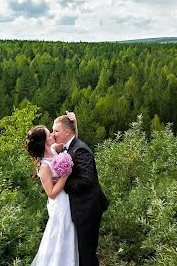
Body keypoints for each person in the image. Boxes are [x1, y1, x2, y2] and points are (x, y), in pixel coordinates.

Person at [52, 112, 109, 266]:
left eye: (56, 131)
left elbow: (87, 180)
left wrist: (63, 183)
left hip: (88, 208)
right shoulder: (68, 148)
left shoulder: (80, 150)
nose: (53, 134)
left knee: (86, 252)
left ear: (67, 132)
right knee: (82, 251)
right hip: (81, 208)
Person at [25, 125, 77, 266]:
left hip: (67, 199)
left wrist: (74, 123)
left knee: (69, 234)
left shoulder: (54, 149)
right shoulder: (44, 167)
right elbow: (51, 193)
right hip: (59, 204)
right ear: (43, 142)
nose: (53, 135)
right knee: (59, 235)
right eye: (49, 134)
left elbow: (71, 139)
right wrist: (65, 176)